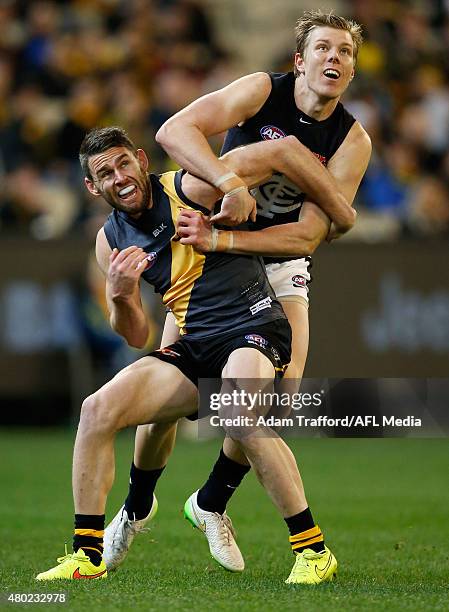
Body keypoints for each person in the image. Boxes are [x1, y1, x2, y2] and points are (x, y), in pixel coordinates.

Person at [104, 9, 371, 580]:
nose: (334, 59)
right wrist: (226, 186)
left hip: (272, 259)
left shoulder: (353, 140)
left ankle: (210, 503)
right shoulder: (260, 91)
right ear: (299, 60)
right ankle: (136, 505)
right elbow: (174, 131)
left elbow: (309, 234)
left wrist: (229, 235)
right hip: (206, 263)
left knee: (274, 402)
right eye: (323, 48)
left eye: (345, 52)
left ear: (351, 68)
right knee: (167, 390)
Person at [35, 124, 353, 583]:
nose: (120, 177)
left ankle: (313, 550)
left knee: (239, 413)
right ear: (92, 186)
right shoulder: (110, 241)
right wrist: (121, 294)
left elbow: (280, 152)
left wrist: (237, 192)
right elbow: (135, 334)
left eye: (125, 163)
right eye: (106, 173)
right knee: (95, 410)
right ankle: (88, 555)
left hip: (255, 324)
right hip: (195, 342)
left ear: (142, 160)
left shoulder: (190, 185)